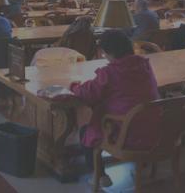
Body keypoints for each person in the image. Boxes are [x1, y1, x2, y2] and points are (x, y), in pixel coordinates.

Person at [67, 30, 160, 188]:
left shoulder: (110, 72)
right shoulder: (144, 65)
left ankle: (100, 175)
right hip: (153, 128)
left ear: (108, 52)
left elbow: (88, 94)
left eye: (103, 53)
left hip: (127, 134)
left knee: (86, 130)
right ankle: (142, 164)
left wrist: (74, 86)